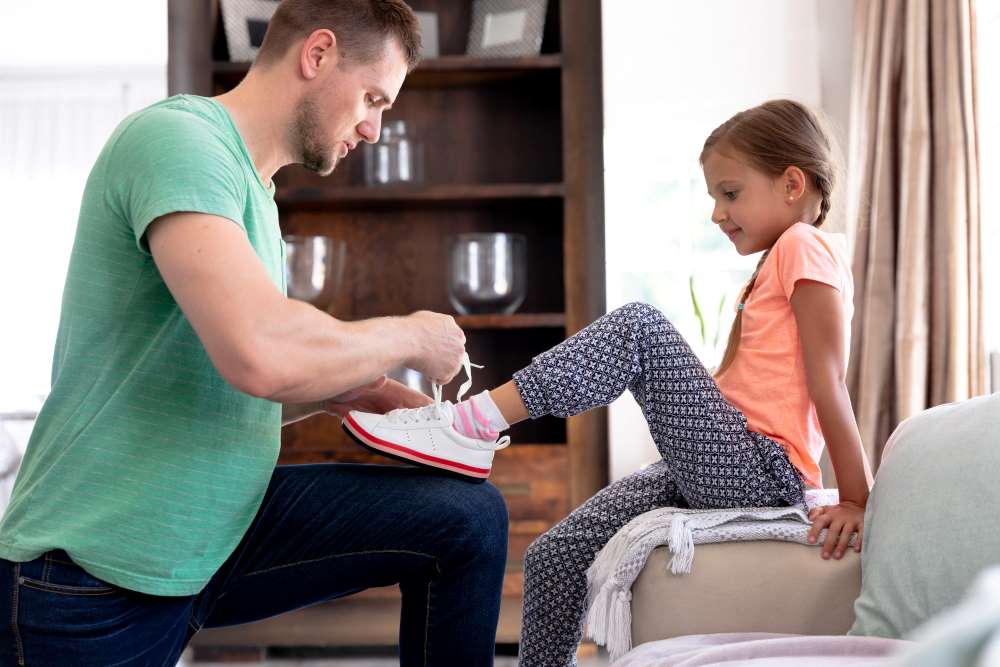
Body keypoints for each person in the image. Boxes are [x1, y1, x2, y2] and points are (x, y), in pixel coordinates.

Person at [0, 1, 510, 665]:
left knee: (466, 518)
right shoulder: (179, 141)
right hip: (92, 575)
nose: (375, 128)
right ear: (318, 54)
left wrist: (360, 393)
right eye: (373, 97)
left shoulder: (256, 194)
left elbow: (224, 370)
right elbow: (258, 352)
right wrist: (414, 336)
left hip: (215, 536)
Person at [345, 99, 875, 666]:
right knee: (556, 553)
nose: (718, 214)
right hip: (729, 464)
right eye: (715, 198)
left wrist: (857, 498)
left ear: (792, 183)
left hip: (763, 471)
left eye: (730, 192)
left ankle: (473, 424)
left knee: (640, 329)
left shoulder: (805, 246)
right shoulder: (780, 257)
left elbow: (829, 382)